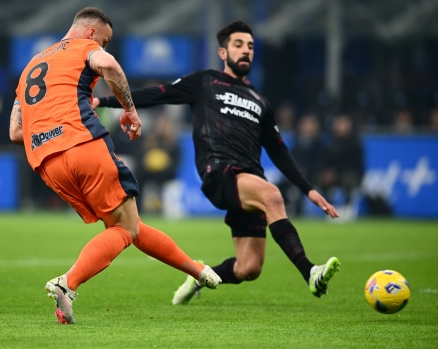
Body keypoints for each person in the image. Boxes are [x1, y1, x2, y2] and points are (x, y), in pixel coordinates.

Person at [93, 21, 341, 305]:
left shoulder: (260, 101)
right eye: (238, 45)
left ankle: (199, 275)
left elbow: (279, 151)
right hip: (220, 172)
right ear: (223, 52)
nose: (245, 51)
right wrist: (104, 101)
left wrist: (309, 190)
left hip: (249, 180)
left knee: (248, 268)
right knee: (272, 195)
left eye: (249, 46)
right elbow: (158, 94)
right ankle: (310, 272)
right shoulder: (205, 82)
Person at [9, 7, 220, 324]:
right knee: (124, 227)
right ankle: (68, 283)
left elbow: (15, 132)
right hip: (82, 145)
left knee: (127, 226)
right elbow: (107, 64)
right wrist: (130, 111)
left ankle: (197, 270)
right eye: (104, 40)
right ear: (92, 32)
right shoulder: (85, 47)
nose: (103, 47)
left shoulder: (30, 66)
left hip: (46, 163)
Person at [319, 114, 364, 220]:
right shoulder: (330, 144)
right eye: (339, 123)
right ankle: (329, 208)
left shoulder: (356, 144)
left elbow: (355, 165)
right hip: (334, 176)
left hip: (350, 175)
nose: (341, 126)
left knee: (349, 179)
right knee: (321, 179)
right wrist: (326, 173)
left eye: (344, 123)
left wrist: (336, 173)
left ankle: (347, 207)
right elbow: (323, 162)